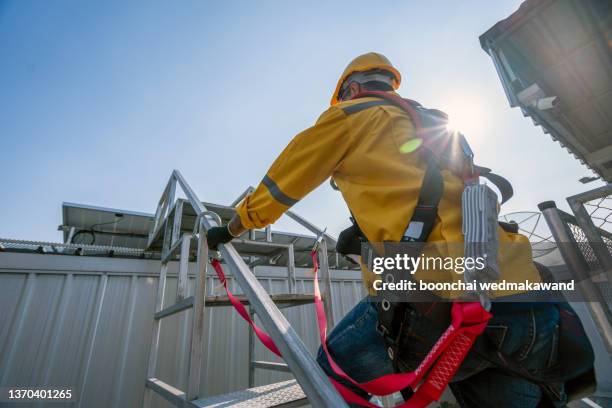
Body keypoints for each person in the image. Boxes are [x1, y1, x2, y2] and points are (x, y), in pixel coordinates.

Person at [206, 53, 594, 407]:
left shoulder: (350, 114)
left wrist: (233, 227)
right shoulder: (438, 125)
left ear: (352, 89)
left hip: (441, 298)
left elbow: (280, 186)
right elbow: (438, 196)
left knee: (330, 377)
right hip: (526, 302)